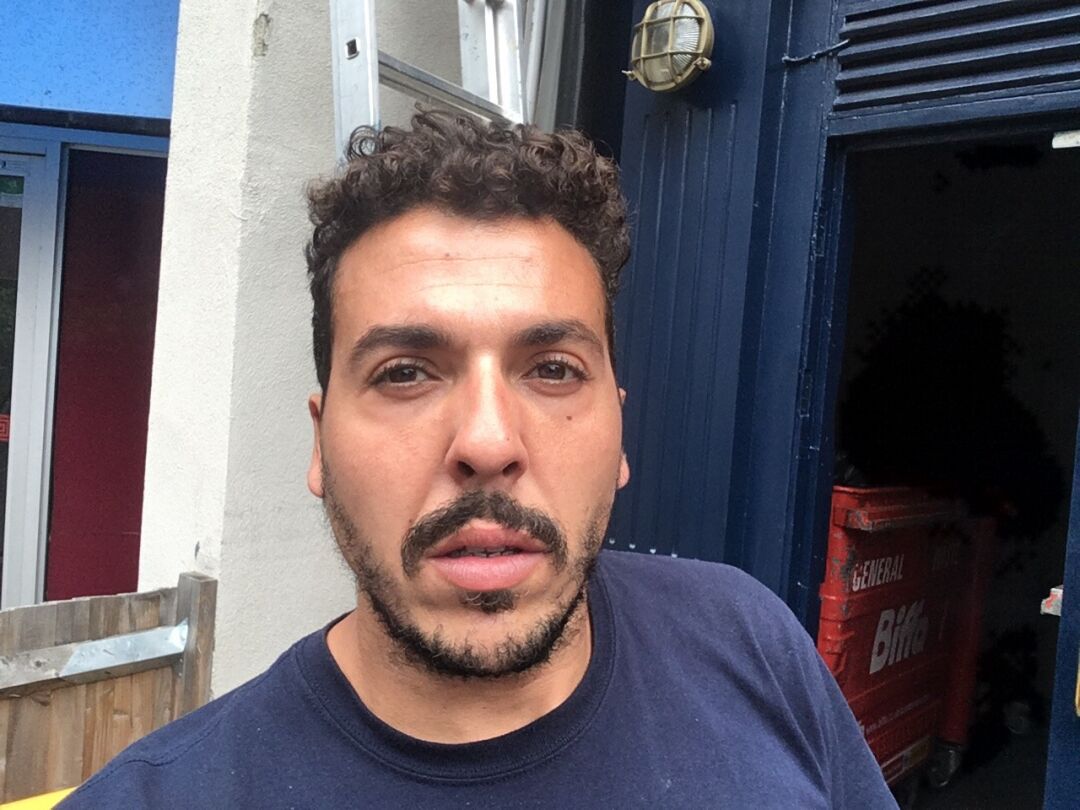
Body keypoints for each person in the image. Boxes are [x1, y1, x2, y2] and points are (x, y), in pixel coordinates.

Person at [62, 111, 896, 808]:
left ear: (620, 434)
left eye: (553, 369)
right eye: (405, 373)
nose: (489, 444)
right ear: (319, 444)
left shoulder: (751, 644)